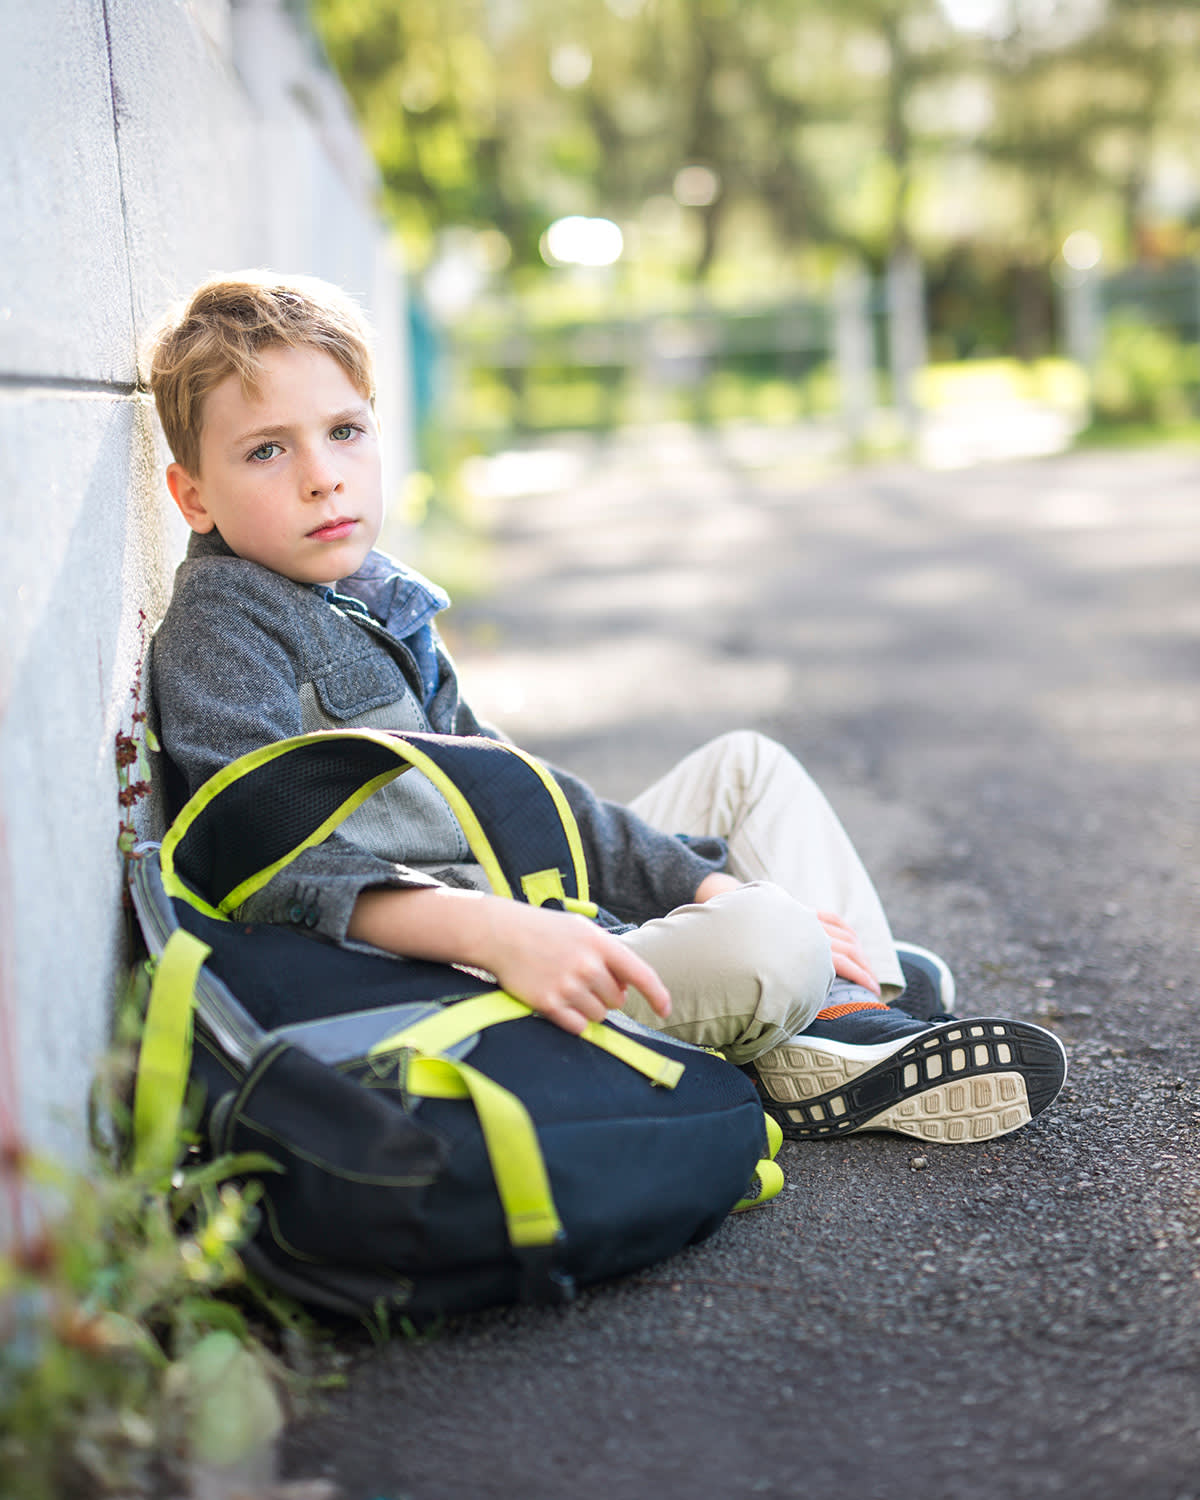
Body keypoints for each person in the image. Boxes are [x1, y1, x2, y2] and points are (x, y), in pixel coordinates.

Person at [145, 271, 1066, 1147]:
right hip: (472, 977)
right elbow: (260, 854)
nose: (321, 476)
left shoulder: (368, 602)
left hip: (539, 912)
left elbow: (531, 799)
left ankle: (852, 1012)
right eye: (268, 450)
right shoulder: (223, 626)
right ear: (192, 496)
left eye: (344, 431)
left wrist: (703, 886)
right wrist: (501, 932)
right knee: (774, 931)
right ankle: (833, 1009)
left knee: (746, 772)